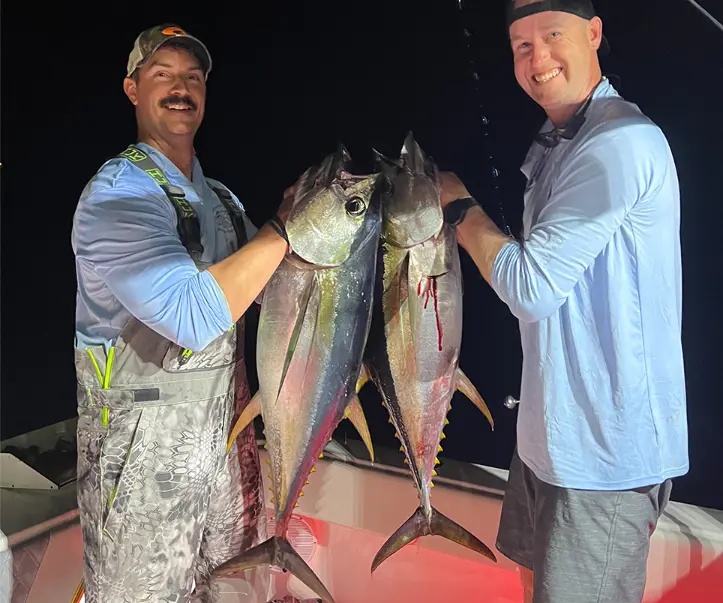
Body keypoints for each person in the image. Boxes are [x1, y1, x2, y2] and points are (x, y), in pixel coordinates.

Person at [439, 1, 689, 602]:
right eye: (521, 46)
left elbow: (530, 286)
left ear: (595, 33)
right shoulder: (558, 141)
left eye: (553, 36)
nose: (537, 58)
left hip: (604, 458)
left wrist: (456, 206)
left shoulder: (619, 141)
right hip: (547, 444)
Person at [71, 24, 298, 603]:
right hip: (140, 469)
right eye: (163, 75)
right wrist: (293, 225)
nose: (181, 88)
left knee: (231, 591)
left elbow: (279, 288)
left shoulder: (221, 198)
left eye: (193, 78)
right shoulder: (117, 194)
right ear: (132, 88)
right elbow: (193, 318)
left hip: (224, 450)